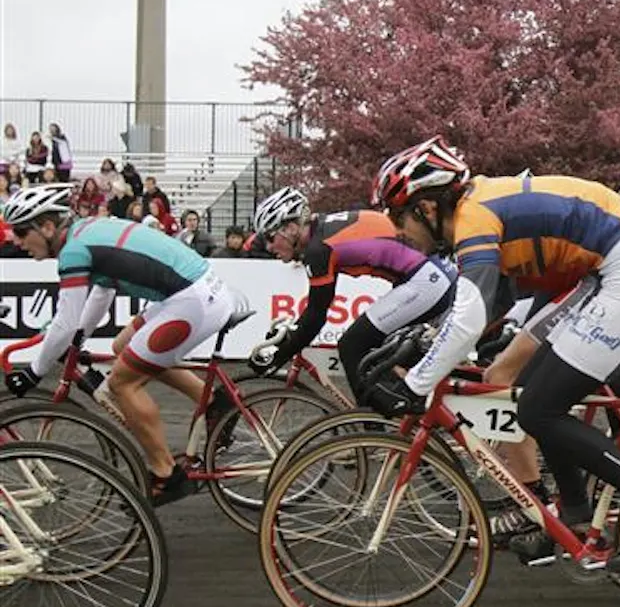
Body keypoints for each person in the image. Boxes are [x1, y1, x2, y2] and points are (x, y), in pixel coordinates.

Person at [365, 138, 620, 575]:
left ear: (426, 208)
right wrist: (424, 340)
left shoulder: (474, 216)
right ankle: (574, 510)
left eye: (398, 216)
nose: (396, 231)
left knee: (541, 409)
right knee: (528, 399)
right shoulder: (477, 212)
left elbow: (469, 318)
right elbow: (486, 304)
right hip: (611, 274)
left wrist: (415, 384)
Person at [1, 183, 240, 506]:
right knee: (121, 346)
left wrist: (33, 372)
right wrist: (78, 341)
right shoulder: (86, 231)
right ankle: (210, 400)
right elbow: (102, 294)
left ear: (46, 227)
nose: (14, 239)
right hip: (196, 292)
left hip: (191, 300)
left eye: (20, 231)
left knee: (121, 382)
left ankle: (165, 475)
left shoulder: (73, 250)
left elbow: (65, 321)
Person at [248, 186, 457, 402]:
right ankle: (410, 415)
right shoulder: (323, 232)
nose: (269, 247)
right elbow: (315, 312)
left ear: (291, 228)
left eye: (271, 237)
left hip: (426, 280)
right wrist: (290, 342)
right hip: (433, 274)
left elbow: (316, 316)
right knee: (381, 353)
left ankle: (372, 429)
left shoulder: (318, 249)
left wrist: (279, 355)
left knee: (352, 345)